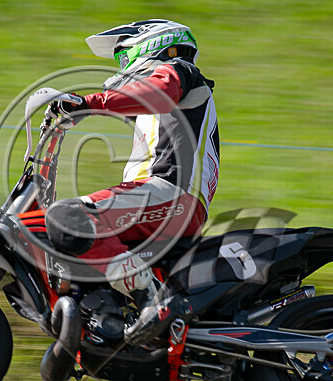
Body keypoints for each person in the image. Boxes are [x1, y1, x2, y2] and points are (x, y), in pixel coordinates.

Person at [45, 19, 220, 345]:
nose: (121, 66)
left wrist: (87, 102)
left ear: (153, 44)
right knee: (69, 239)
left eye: (123, 56)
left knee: (69, 216)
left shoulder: (179, 71)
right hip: (164, 200)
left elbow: (156, 92)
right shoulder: (159, 104)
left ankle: (146, 293)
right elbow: (130, 101)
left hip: (171, 195)